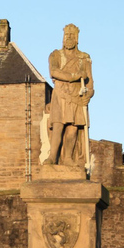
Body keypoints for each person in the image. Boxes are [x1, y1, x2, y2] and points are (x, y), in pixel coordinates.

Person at [45, 24, 94, 167]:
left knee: (72, 130)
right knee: (58, 127)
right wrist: (74, 76)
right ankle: (52, 157)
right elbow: (54, 72)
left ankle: (68, 158)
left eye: (72, 36)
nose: (69, 38)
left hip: (76, 97)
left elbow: (90, 82)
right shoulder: (55, 55)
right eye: (67, 35)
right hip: (60, 96)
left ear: (77, 38)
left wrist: (89, 94)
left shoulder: (84, 58)